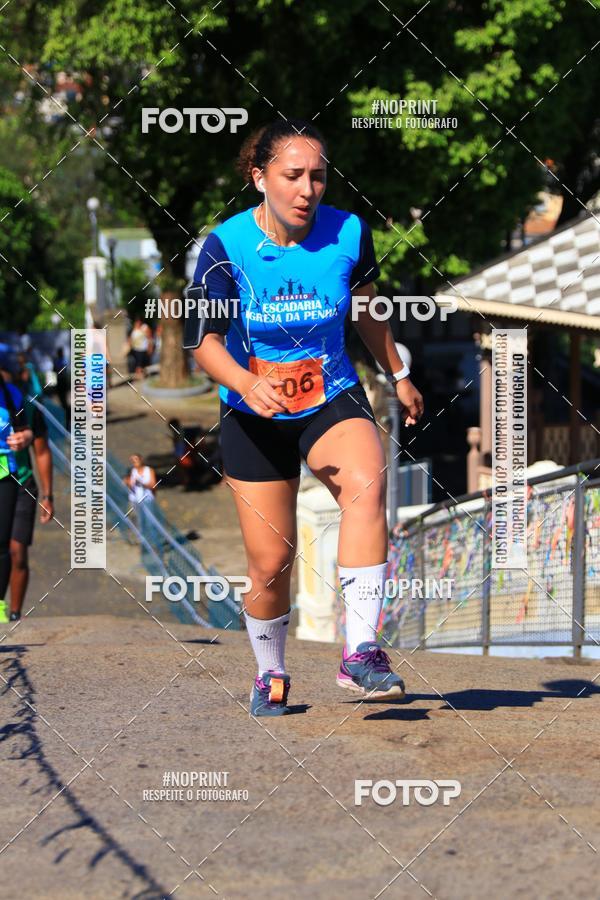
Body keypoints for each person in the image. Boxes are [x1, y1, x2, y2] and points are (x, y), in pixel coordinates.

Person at [189, 119, 424, 717]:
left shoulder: (350, 232)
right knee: (271, 563)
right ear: (258, 176)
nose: (307, 189)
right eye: (293, 175)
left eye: (317, 176)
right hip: (253, 409)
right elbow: (205, 343)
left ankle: (361, 652)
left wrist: (397, 374)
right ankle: (270, 671)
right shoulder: (226, 245)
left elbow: (368, 311)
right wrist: (246, 382)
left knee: (367, 486)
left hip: (331, 393)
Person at [0, 354, 52, 624]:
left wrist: (47, 495)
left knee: (16, 550)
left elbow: (42, 452)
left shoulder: (25, 404)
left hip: (21, 482)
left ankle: (14, 615)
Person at [123, 453, 157, 536]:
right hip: (135, 501)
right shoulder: (132, 471)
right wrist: (128, 482)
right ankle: (143, 541)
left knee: (150, 521)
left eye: (136, 459)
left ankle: (153, 540)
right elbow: (129, 485)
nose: (134, 462)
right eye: (132, 460)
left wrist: (142, 483)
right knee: (139, 522)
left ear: (141, 460)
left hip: (147, 500)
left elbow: (153, 485)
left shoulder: (149, 470)